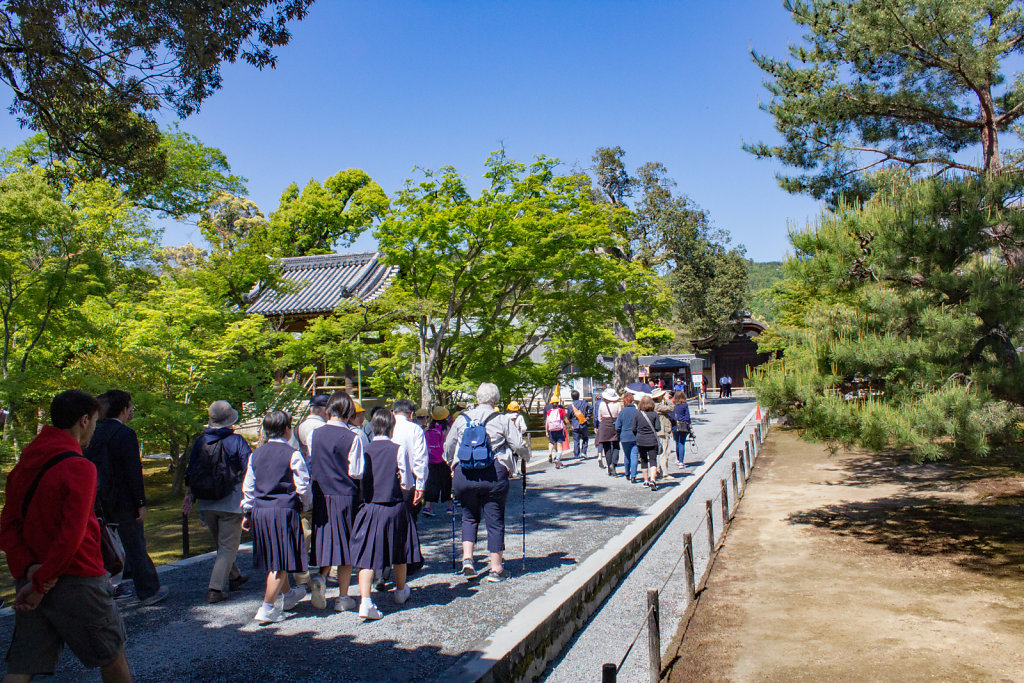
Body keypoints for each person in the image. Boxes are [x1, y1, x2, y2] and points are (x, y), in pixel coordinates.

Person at [0, 390, 132, 682]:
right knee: (112, 655)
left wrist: (29, 571)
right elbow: (72, 534)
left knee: (23, 665)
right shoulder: (79, 467)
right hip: (77, 579)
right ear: (84, 420)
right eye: (95, 422)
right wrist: (42, 580)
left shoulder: (23, 466)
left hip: (31, 577)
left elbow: (7, 525)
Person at [85, 389, 168, 606]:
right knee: (135, 544)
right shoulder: (126, 435)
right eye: (130, 407)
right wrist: (140, 502)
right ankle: (149, 590)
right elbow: (133, 472)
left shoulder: (95, 433)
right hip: (124, 500)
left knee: (103, 543)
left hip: (99, 498)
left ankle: (108, 588)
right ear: (123, 409)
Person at [444, 382, 530, 582]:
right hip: (494, 473)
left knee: (468, 515)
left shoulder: (462, 418)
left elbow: (449, 444)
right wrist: (526, 457)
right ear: (496, 400)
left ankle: (467, 560)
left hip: (464, 474)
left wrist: (450, 462)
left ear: (477, 398)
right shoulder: (502, 419)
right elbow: (518, 444)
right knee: (495, 518)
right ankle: (496, 569)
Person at [350, 409, 423, 620]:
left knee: (367, 556)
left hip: (370, 506)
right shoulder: (397, 449)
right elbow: (407, 482)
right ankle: (400, 592)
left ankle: (365, 601)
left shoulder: (365, 448)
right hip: (394, 505)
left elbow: (355, 473)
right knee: (400, 551)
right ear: (392, 427)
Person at [241, 410, 312, 624]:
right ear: (287, 429)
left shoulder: (256, 454)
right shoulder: (292, 454)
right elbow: (303, 486)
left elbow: (249, 487)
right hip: (283, 510)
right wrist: (306, 505)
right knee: (280, 562)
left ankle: (288, 595)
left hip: (261, 511)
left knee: (274, 555)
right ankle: (267, 607)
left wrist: (247, 512)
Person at [181, 400, 252, 604]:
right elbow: (249, 468)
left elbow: (190, 471)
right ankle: (215, 589)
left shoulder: (199, 442)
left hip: (205, 501)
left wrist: (189, 495)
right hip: (231, 500)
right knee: (228, 547)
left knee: (223, 545)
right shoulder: (237, 441)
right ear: (230, 420)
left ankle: (235, 577)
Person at [307, 391, 364, 612]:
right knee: (346, 545)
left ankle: (321, 577)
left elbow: (312, 461)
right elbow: (357, 471)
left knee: (324, 540)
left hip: (321, 492)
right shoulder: (354, 436)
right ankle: (343, 596)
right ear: (348, 411)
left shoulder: (315, 434)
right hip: (344, 494)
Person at [391, 399, 429, 522]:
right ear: (411, 414)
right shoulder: (415, 429)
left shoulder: (387, 427)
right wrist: (420, 485)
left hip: (388, 481)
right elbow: (420, 459)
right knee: (409, 521)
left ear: (393, 413)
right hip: (409, 481)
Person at [422, 407, 451, 517]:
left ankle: (428, 506)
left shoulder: (428, 429)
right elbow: (448, 444)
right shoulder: (446, 429)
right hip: (443, 459)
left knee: (431, 483)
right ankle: (450, 505)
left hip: (430, 460)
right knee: (447, 482)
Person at [633, 396, 662, 491]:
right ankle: (653, 479)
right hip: (652, 440)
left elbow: (633, 428)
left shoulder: (637, 415)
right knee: (653, 460)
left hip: (641, 440)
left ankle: (645, 480)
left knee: (643, 460)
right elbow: (658, 428)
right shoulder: (654, 414)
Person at [594, 388, 621, 471]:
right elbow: (619, 416)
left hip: (604, 425)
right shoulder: (617, 404)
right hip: (614, 424)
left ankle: (609, 467)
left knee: (606, 447)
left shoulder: (602, 404)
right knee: (616, 445)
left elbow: (599, 417)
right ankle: (614, 463)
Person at [614, 393, 638, 480]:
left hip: (624, 436)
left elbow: (617, 426)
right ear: (632, 401)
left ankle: (627, 473)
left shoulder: (622, 412)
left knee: (627, 455)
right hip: (635, 436)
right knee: (634, 455)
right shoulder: (637, 412)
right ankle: (633, 475)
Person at [652, 389, 674, 481]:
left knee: (659, 452)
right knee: (664, 452)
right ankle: (664, 473)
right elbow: (671, 408)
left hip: (658, 431)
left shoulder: (654, 405)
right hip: (662, 431)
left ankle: (658, 471)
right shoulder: (658, 406)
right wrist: (667, 399)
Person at [544, 400, 570, 469]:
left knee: (553, 443)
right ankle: (557, 459)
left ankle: (557, 463)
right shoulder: (561, 410)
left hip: (552, 430)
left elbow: (547, 422)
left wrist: (547, 431)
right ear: (558, 403)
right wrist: (570, 425)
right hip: (559, 430)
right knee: (559, 446)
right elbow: (566, 419)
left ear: (551, 404)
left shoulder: (549, 411)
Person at [670, 390, 693, 468]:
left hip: (675, 425)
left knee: (677, 442)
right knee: (682, 443)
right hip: (683, 424)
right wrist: (690, 425)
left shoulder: (673, 405)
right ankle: (681, 461)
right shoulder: (684, 405)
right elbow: (687, 416)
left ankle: (678, 458)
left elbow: (670, 416)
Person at [569, 390, 593, 461]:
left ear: (572, 397)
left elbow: (569, 416)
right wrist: (588, 416)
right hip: (583, 423)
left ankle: (576, 455)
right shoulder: (584, 402)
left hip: (575, 424)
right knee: (585, 438)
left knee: (576, 440)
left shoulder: (571, 406)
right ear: (579, 396)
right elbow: (591, 407)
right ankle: (583, 452)